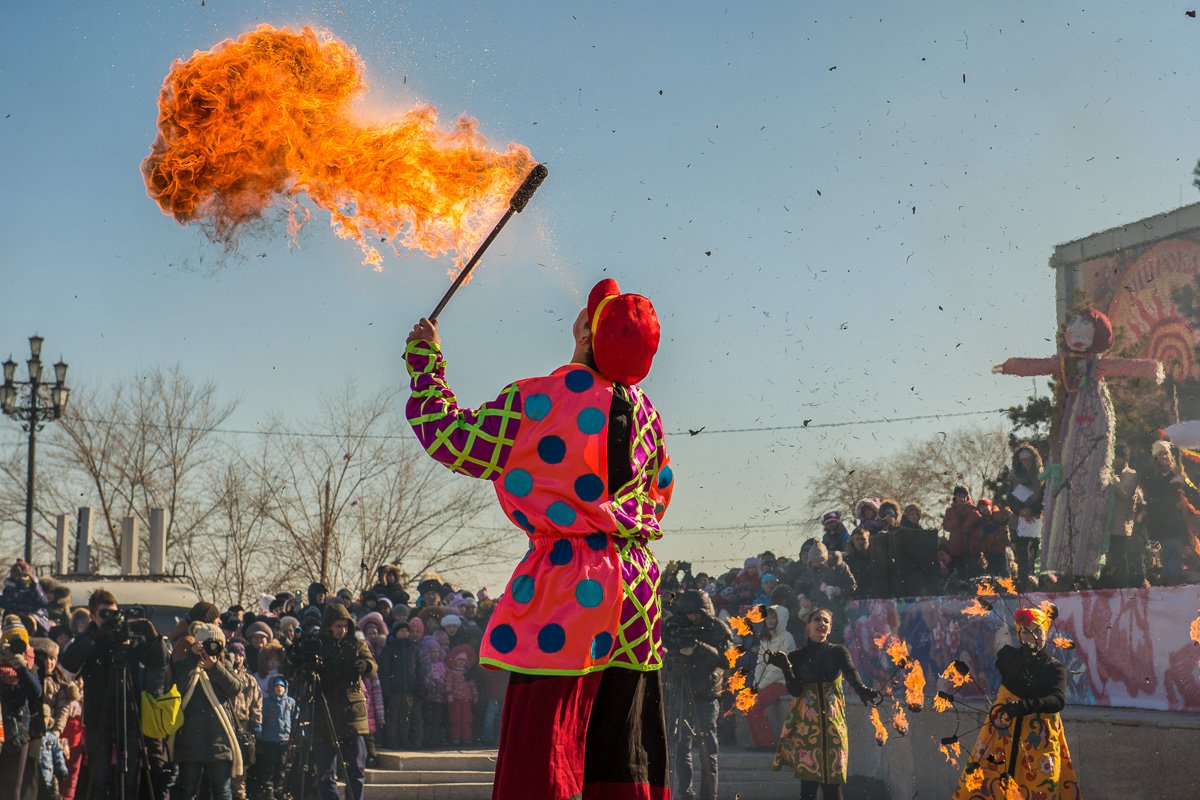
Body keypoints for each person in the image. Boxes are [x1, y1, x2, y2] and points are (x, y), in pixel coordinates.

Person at [405, 278, 673, 800]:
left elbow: (450, 438)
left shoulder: (538, 401)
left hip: (569, 589)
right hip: (638, 591)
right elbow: (661, 495)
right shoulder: (648, 416)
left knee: (543, 748)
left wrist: (425, 366)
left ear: (585, 334)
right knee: (621, 749)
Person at [951, 606, 1081, 800]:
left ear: (1046, 632)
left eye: (1038, 631)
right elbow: (1011, 673)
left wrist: (1023, 707)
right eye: (1026, 632)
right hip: (1002, 738)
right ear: (1020, 636)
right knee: (993, 785)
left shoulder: (1055, 667)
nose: (1033, 637)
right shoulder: (1008, 657)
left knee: (1040, 789)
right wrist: (1026, 659)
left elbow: (1057, 700)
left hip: (1039, 742)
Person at [59, 590, 170, 800]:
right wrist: (95, 638)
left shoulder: (128, 637)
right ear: (92, 616)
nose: (110, 620)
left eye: (114, 614)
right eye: (104, 615)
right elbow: (67, 666)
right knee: (99, 779)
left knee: (130, 779)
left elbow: (159, 662)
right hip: (98, 718)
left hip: (129, 717)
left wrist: (153, 635)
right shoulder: (88, 639)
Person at [767, 608, 881, 800]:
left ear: (830, 628)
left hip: (832, 726)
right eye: (817, 619)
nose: (822, 623)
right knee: (808, 789)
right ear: (808, 626)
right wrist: (786, 669)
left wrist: (863, 690)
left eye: (826, 621)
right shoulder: (796, 656)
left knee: (832, 787)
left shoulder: (838, 651)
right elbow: (795, 691)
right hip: (805, 728)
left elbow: (852, 675)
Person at [662, 589, 732, 800]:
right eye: (689, 613)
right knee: (681, 746)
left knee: (707, 750)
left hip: (706, 694)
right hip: (681, 690)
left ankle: (709, 796)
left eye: (696, 613)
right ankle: (686, 794)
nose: (692, 618)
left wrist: (698, 648)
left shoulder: (718, 628)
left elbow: (728, 660)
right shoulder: (676, 625)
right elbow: (664, 643)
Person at [170, 623, 247, 800]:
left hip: (220, 740)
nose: (211, 648)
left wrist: (215, 668)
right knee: (187, 790)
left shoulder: (225, 663)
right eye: (206, 644)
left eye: (215, 644)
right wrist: (192, 657)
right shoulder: (187, 663)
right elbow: (178, 688)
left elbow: (235, 688)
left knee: (222, 792)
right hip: (190, 740)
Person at [309, 603, 376, 800]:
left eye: (345, 626)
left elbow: (372, 664)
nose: (342, 630)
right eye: (338, 626)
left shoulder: (356, 644)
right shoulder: (319, 645)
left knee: (356, 769)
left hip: (352, 714)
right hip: (325, 712)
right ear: (329, 626)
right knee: (325, 772)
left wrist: (366, 665)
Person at [1140, 440, 1197, 585]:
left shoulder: (1178, 473)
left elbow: (1190, 493)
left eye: (1166, 453)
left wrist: (1183, 486)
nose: (1164, 457)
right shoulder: (1151, 475)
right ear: (1155, 458)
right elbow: (1156, 494)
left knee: (1178, 560)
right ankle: (1172, 589)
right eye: (1161, 454)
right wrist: (1172, 476)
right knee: (1170, 561)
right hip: (1163, 527)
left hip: (1179, 526)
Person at [1, 616, 42, 800]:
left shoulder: (29, 662)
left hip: (17, 731)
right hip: (2, 727)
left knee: (12, 788)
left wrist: (21, 666)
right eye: (10, 641)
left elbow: (36, 691)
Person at [746, 605, 795, 750]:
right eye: (767, 617)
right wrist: (755, 685)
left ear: (781, 618)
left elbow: (777, 669)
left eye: (774, 617)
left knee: (754, 704)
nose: (770, 621)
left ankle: (768, 743)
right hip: (768, 683)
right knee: (747, 703)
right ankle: (759, 743)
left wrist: (760, 686)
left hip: (783, 681)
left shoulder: (787, 638)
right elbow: (761, 663)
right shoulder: (765, 638)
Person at [1102, 444, 1147, 588]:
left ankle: (1123, 587)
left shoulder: (1132, 474)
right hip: (1106, 525)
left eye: (1117, 458)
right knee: (1109, 559)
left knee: (1120, 557)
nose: (1114, 461)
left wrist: (1113, 479)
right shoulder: (1108, 474)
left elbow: (1124, 493)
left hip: (1121, 525)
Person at [378, 620, 424, 750]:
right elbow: (384, 671)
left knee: (406, 717)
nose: (404, 633)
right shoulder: (389, 649)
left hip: (410, 689)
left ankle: (405, 742)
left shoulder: (414, 649)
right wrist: (386, 690)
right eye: (401, 631)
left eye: (406, 631)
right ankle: (392, 742)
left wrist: (420, 688)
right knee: (393, 718)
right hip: (394, 690)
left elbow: (419, 670)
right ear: (396, 632)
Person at [1006, 444, 1045, 589]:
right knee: (1021, 556)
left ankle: (1037, 585)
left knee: (1036, 554)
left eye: (1028, 459)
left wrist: (1032, 509)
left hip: (1036, 519)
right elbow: (1010, 498)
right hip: (1019, 520)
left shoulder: (1042, 476)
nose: (1026, 463)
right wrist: (1020, 510)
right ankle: (1023, 586)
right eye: (1023, 460)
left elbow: (1044, 497)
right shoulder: (1015, 477)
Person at [254, 675, 295, 800]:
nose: (279, 688)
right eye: (277, 686)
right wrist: (259, 734)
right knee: (269, 765)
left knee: (282, 765)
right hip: (270, 739)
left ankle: (280, 789)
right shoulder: (266, 702)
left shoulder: (290, 702)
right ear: (272, 688)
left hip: (285, 740)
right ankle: (268, 790)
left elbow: (296, 718)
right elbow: (260, 719)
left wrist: (297, 735)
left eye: (282, 686)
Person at [942, 486, 982, 575]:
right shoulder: (950, 511)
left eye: (964, 496)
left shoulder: (973, 509)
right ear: (955, 497)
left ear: (967, 497)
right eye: (959, 496)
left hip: (972, 549)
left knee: (974, 574)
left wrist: (965, 524)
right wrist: (957, 520)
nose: (962, 498)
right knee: (959, 574)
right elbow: (946, 526)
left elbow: (978, 519)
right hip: (956, 550)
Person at [843, 528, 873, 598]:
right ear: (853, 541)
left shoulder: (875, 558)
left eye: (863, 539)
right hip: (855, 597)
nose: (860, 542)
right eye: (857, 539)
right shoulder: (847, 560)